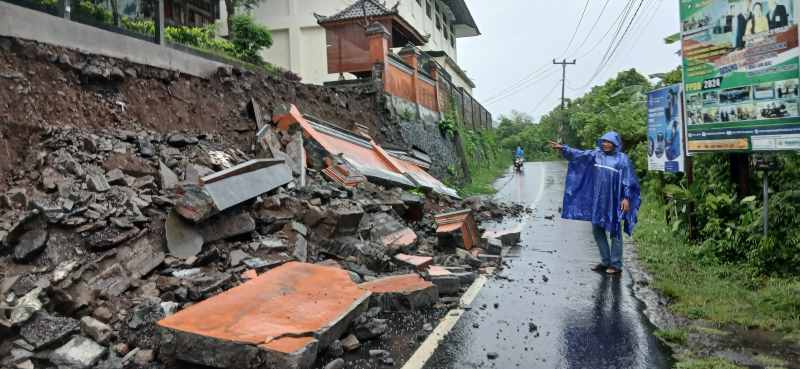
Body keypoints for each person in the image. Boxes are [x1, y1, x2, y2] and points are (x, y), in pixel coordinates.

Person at [549, 132, 641, 275]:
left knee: (615, 231)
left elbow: (628, 180)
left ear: (615, 143)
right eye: (603, 141)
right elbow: (579, 155)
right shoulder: (596, 155)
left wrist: (626, 197)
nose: (605, 144)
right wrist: (564, 148)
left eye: (608, 142)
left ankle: (616, 264)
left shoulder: (622, 159)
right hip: (598, 201)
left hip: (615, 201)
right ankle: (605, 261)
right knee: (597, 230)